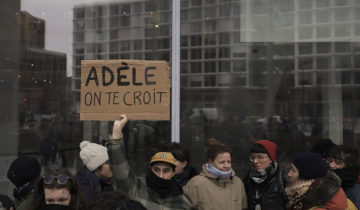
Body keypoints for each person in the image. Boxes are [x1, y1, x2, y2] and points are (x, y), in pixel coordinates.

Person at [108, 114, 193, 210]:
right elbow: (120, 169)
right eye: (156, 169)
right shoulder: (137, 188)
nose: (160, 175)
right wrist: (116, 134)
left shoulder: (182, 202)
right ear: (150, 169)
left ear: (173, 173)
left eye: (166, 171)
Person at [183, 143, 247, 210]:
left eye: (229, 162)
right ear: (210, 161)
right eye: (222, 162)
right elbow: (183, 207)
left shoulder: (238, 183)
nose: (226, 166)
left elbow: (244, 207)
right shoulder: (196, 183)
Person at [286, 152, 356, 209]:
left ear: (305, 177)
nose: (289, 174)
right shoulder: (333, 195)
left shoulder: (311, 203)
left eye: (293, 170)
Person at [243, 139, 287, 210]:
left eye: (260, 157)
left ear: (270, 159)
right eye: (253, 157)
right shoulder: (248, 178)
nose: (255, 161)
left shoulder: (281, 178)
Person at [76, 140, 113, 207]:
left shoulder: (105, 179)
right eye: (108, 163)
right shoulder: (84, 183)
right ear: (96, 166)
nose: (112, 166)